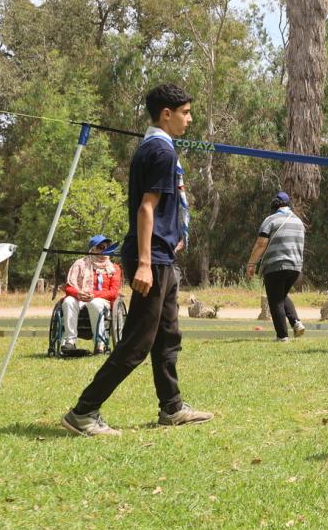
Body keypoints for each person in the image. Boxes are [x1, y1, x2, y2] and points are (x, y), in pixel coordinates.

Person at [62, 83, 214, 436]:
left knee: (167, 334)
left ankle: (172, 407)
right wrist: (145, 262)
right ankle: (83, 412)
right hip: (152, 258)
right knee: (138, 341)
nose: (189, 119)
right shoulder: (161, 152)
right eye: (186, 113)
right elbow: (147, 208)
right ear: (167, 113)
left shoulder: (155, 147)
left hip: (161, 254)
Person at [246, 191, 306, 342]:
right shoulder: (298, 222)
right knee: (281, 296)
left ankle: (282, 336)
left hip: (276, 265)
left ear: (274, 206)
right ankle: (296, 323)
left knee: (275, 301)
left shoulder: (271, 220)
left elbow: (261, 244)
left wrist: (251, 263)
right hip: (295, 267)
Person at [60, 234, 121, 355]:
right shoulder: (80, 264)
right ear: (92, 249)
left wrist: (94, 295)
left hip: (101, 300)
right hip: (80, 298)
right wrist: (78, 293)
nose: (104, 250)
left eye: (107, 247)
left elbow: (114, 293)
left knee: (95, 303)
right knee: (68, 301)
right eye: (100, 247)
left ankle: (100, 343)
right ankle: (69, 342)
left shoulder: (114, 268)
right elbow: (68, 287)